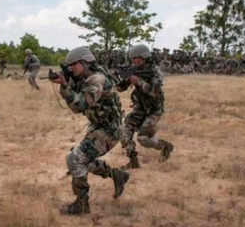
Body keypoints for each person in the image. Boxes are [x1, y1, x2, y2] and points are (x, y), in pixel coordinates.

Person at [50, 46, 129, 215]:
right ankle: (116, 175)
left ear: (85, 63)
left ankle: (82, 205)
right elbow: (74, 105)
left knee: (75, 159)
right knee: (81, 159)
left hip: (110, 129)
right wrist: (65, 84)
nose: (71, 69)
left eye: (74, 65)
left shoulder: (97, 80)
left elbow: (80, 105)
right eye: (69, 66)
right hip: (99, 126)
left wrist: (65, 86)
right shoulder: (83, 79)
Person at [116, 44, 174, 169]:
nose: (133, 61)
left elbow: (154, 92)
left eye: (136, 58)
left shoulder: (154, 72)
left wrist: (139, 81)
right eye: (132, 59)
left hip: (154, 109)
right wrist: (121, 80)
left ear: (144, 58)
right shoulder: (133, 70)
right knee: (124, 132)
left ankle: (165, 146)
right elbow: (120, 88)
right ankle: (133, 162)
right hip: (140, 108)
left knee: (143, 138)